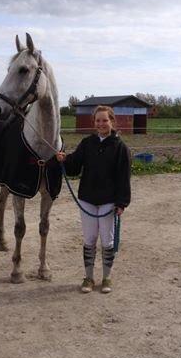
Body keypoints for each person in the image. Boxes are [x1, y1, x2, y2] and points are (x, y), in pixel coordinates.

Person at [56, 105, 131, 293]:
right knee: (89, 239)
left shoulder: (120, 148)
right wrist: (64, 159)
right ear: (94, 122)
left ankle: (106, 278)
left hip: (109, 201)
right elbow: (74, 165)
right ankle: (88, 278)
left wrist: (122, 203)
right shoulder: (87, 143)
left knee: (107, 241)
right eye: (98, 120)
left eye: (105, 120)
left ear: (112, 121)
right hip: (87, 199)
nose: (101, 124)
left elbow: (124, 177)